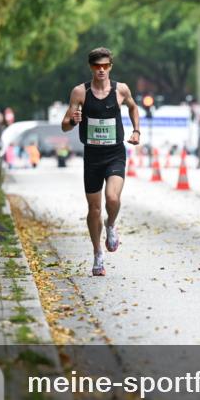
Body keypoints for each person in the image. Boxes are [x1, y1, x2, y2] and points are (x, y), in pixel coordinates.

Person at [61, 47, 141, 277]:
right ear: (91, 68)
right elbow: (64, 125)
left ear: (110, 66)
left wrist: (136, 131)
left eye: (105, 65)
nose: (101, 70)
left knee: (112, 198)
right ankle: (97, 253)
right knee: (94, 209)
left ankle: (111, 225)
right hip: (92, 156)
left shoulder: (121, 89)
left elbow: (134, 107)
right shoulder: (80, 92)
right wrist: (73, 121)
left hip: (115, 152)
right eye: (97, 66)